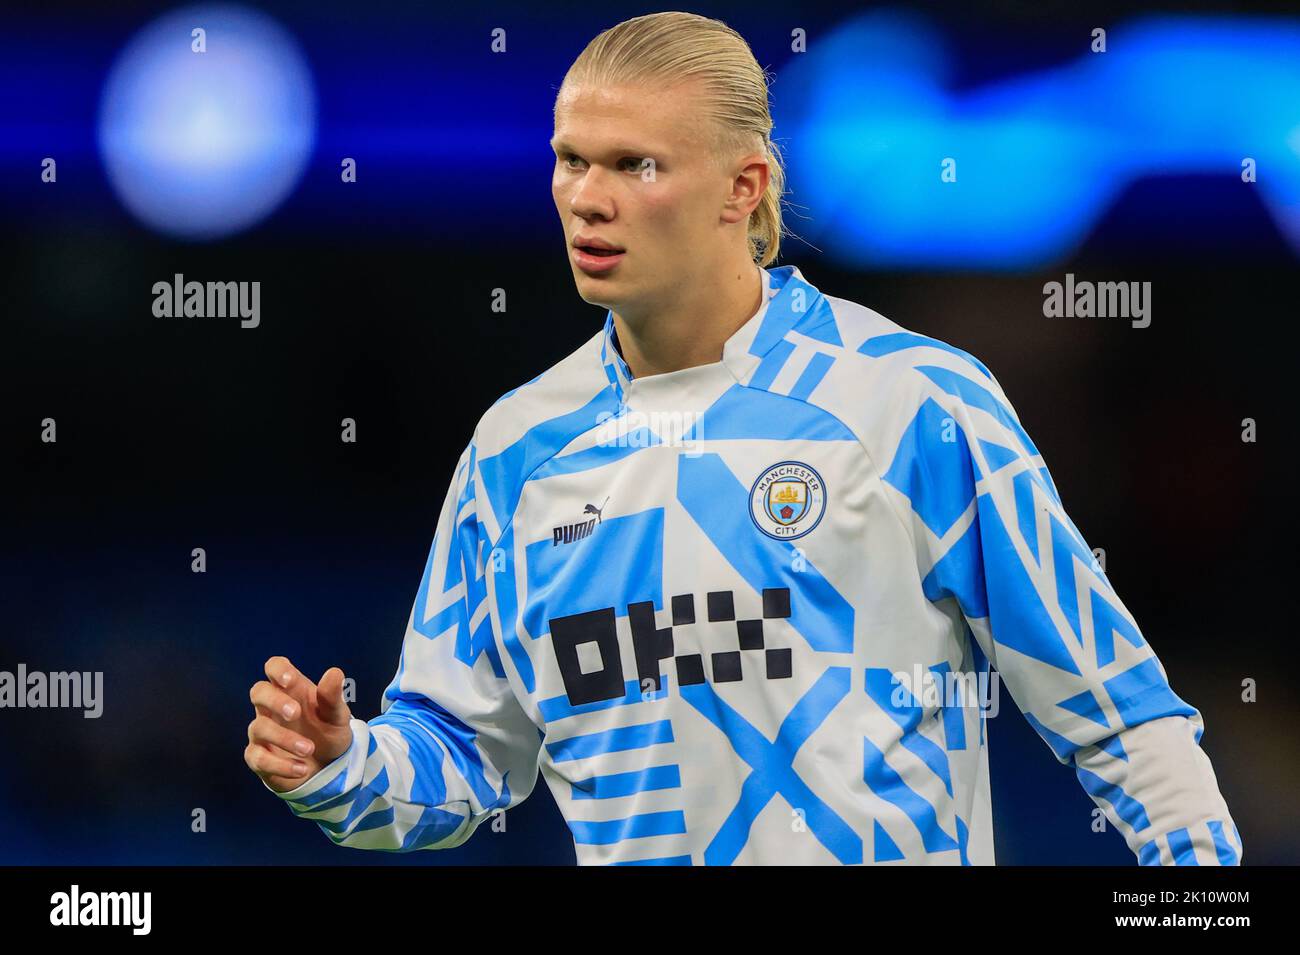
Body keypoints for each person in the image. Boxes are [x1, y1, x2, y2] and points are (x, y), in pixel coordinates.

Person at [244, 11, 1241, 865]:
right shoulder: (515, 450)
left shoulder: (909, 400)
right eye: (570, 160)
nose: (587, 197)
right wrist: (342, 763)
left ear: (744, 187)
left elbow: (1115, 714)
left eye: (636, 164)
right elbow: (465, 757)